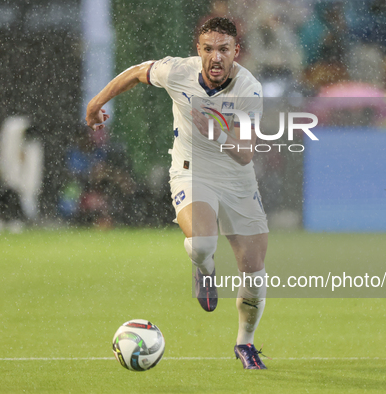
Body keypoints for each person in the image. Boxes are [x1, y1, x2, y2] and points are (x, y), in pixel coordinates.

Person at [86, 17, 269, 370]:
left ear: (236, 52)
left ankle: (245, 344)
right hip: (191, 173)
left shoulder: (250, 89)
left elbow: (247, 152)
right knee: (202, 243)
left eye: (224, 50)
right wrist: (96, 102)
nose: (216, 58)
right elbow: (137, 72)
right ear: (198, 50)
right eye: (208, 49)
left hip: (237, 181)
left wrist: (214, 132)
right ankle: (204, 268)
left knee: (255, 274)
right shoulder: (177, 72)